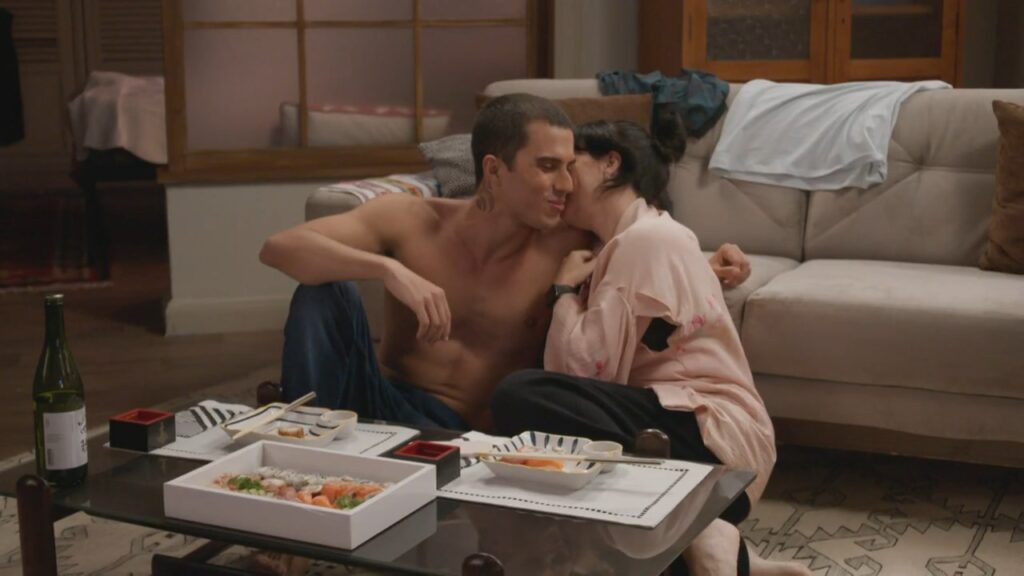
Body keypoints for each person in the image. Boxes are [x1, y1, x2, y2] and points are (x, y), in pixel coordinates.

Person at [259, 93, 752, 433]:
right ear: (494, 171)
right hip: (380, 403)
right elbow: (280, 247)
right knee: (324, 292)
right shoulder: (410, 220)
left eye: (569, 167)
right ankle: (301, 460)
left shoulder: (571, 243)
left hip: (466, 439)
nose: (566, 185)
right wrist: (391, 270)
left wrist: (712, 261)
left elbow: (646, 254)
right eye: (548, 167)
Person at [490, 116, 809, 576]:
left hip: (708, 437)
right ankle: (730, 554)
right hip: (704, 448)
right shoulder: (645, 235)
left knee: (520, 395)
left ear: (610, 163)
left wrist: (562, 293)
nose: (563, 183)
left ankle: (703, 526)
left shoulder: (643, 240)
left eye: (571, 165)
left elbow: (585, 372)